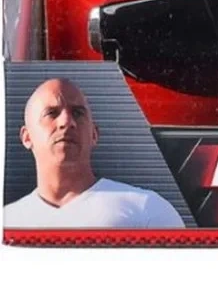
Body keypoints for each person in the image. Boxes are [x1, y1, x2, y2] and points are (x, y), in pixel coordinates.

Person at [4, 77, 185, 228]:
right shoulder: (8, 222)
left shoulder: (148, 211)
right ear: (27, 137)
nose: (67, 122)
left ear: (94, 134)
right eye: (51, 113)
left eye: (78, 113)